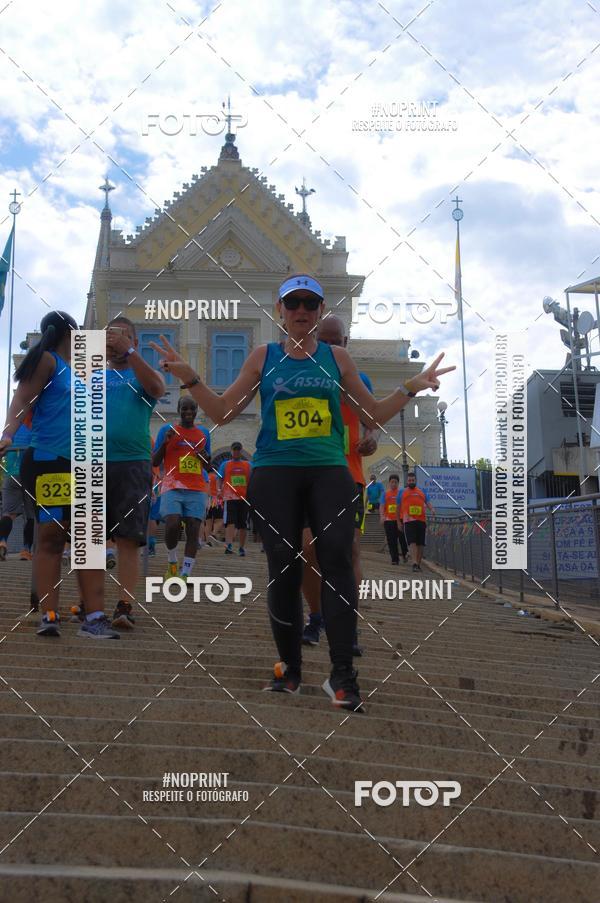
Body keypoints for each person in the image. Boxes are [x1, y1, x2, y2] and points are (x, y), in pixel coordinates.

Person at [150, 273, 454, 712]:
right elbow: (222, 410)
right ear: (280, 312)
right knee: (284, 566)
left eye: (310, 305)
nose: (301, 312)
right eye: (292, 305)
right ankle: (290, 669)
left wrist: (410, 386)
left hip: (329, 470)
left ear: (319, 310)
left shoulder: (337, 358)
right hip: (275, 472)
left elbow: (374, 412)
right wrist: (192, 378)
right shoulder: (263, 356)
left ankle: (343, 674)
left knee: (335, 555)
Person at [0, 311, 117, 638]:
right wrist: (8, 434)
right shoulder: (49, 361)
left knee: (89, 539)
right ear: (73, 332)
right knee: (51, 536)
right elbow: (22, 398)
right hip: (50, 459)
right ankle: (49, 614)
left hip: (83, 463)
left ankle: (93, 618)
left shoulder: (78, 371)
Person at [301, 314, 378, 652]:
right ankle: (317, 617)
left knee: (348, 551)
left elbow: (370, 420)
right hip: (307, 475)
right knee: (308, 550)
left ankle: (347, 624)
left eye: (337, 341)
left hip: (349, 476)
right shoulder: (301, 374)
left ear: (346, 344)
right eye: (326, 340)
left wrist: (372, 439)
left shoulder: (358, 379)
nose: (331, 347)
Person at [105, 316, 165, 628]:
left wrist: (131, 354)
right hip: (94, 462)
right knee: (88, 537)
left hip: (132, 463)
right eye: (109, 335)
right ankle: (89, 603)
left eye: (122, 336)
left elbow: (157, 386)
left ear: (134, 342)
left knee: (128, 538)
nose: (113, 340)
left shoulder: (140, 374)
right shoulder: (92, 376)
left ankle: (124, 605)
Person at [152, 395, 210, 581]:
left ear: (196, 411)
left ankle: (185, 573)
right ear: (179, 410)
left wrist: (204, 458)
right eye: (184, 408)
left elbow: (208, 466)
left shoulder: (202, 434)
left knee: (193, 528)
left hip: (196, 487)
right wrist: (165, 443)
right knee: (173, 523)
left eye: (192, 408)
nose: (188, 412)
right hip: (172, 485)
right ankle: (172, 562)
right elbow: (154, 461)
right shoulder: (167, 430)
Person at [0, 422, 35, 561]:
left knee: (8, 513)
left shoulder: (10, 428)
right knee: (31, 515)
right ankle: (26, 550)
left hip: (11, 474)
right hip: (30, 473)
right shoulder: (36, 424)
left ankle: (2, 542)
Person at [217, 442, 252, 557]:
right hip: (230, 497)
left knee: (243, 524)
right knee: (230, 522)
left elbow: (253, 479)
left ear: (241, 451)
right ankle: (229, 546)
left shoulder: (248, 465)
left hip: (244, 498)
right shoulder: (225, 465)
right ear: (231, 451)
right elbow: (220, 478)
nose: (236, 452)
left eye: (238, 450)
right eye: (234, 450)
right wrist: (218, 490)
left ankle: (241, 547)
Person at [397, 470, 435, 572]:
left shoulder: (422, 491)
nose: (411, 481)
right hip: (408, 521)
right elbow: (398, 507)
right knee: (412, 542)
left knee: (421, 544)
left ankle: (418, 563)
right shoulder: (402, 492)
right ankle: (414, 562)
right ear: (407, 481)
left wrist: (432, 509)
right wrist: (398, 521)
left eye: (413, 480)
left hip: (421, 520)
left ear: (415, 480)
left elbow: (428, 502)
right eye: (409, 480)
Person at [380, 474, 408, 565]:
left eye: (395, 482)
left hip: (400, 520)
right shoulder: (385, 493)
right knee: (391, 540)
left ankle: (405, 554)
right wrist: (382, 516)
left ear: (398, 483)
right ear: (389, 483)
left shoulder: (401, 493)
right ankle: (394, 559)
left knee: (402, 539)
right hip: (389, 520)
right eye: (392, 482)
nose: (394, 484)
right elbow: (382, 506)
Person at [204, 470, 224, 545]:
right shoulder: (216, 477)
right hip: (216, 501)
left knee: (208, 522)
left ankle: (208, 542)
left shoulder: (205, 476)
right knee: (219, 520)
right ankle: (213, 534)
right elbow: (221, 488)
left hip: (207, 500)